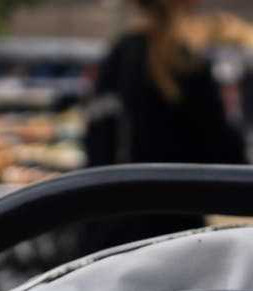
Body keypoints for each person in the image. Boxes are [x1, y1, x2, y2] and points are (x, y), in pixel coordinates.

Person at [82, 0, 244, 253]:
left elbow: (95, 149)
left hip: (112, 239)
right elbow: (226, 155)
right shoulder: (187, 64)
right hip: (174, 239)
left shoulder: (116, 58)